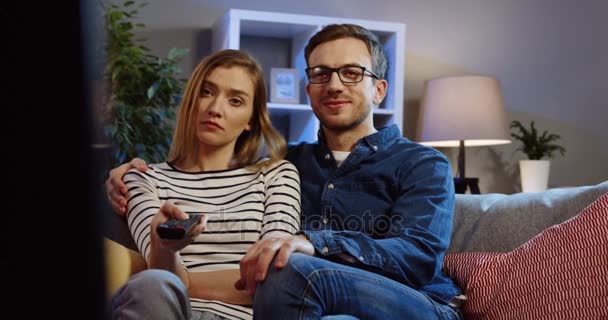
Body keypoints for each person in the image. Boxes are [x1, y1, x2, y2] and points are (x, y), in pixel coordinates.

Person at [107, 24, 463, 320]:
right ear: (309, 90)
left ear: (379, 90)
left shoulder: (422, 163)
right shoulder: (284, 163)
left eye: (352, 73)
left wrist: (312, 243)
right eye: (321, 74)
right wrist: (128, 173)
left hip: (414, 302)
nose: (334, 85)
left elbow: (416, 256)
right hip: (313, 303)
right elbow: (207, 173)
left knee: (287, 268)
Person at [108, 49, 301, 320]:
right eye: (207, 92)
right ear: (191, 100)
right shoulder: (142, 178)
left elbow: (273, 276)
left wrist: (186, 282)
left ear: (250, 120)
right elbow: (162, 278)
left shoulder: (276, 174)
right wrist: (164, 247)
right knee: (150, 285)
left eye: (235, 100)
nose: (214, 109)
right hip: (169, 311)